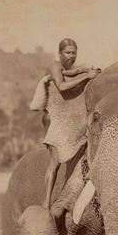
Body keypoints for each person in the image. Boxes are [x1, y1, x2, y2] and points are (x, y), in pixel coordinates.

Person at [30, 38, 100, 209]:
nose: (71, 56)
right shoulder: (54, 65)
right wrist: (86, 75)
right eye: (68, 52)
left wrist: (85, 71)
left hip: (65, 120)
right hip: (53, 118)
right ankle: (46, 203)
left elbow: (69, 73)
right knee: (55, 161)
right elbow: (61, 85)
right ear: (60, 53)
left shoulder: (65, 68)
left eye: (74, 53)